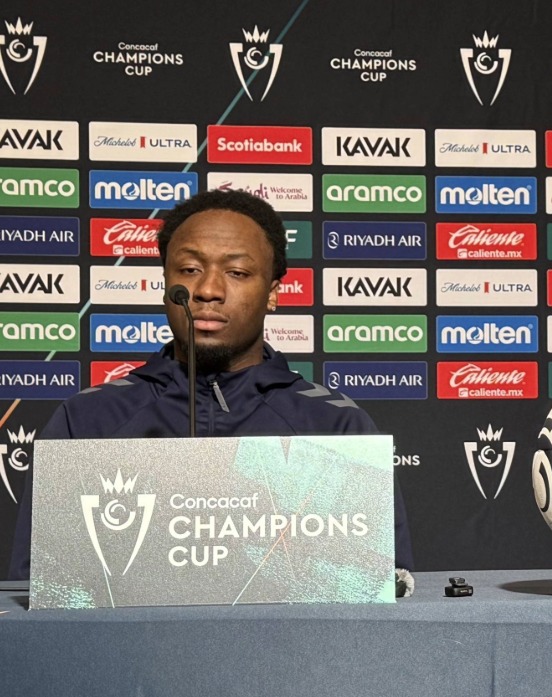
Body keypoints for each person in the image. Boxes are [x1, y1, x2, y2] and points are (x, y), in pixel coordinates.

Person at [8, 189, 414, 588]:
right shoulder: (86, 422)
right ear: (165, 283)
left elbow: (379, 592)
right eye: (189, 269)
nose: (208, 290)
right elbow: (40, 590)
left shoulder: (336, 427)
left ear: (273, 293)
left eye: (237, 272)